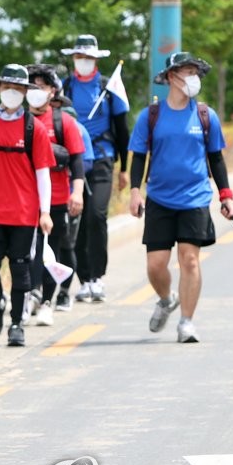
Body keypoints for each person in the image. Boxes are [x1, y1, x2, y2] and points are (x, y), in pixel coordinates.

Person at [127, 52, 233, 343]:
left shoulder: (204, 115)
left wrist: (226, 194)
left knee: (189, 261)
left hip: (195, 198)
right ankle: (166, 299)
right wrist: (135, 191)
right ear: (171, 78)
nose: (193, 78)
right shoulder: (151, 116)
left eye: (195, 73)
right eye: (187, 72)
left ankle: (186, 322)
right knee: (156, 265)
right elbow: (138, 156)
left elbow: (216, 157)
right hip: (160, 199)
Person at [0, 64, 55, 346]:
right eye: (7, 87)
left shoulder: (33, 127)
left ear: (25, 92)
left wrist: (45, 212)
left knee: (21, 271)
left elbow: (43, 173)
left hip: (24, 214)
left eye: (18, 88)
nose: (12, 93)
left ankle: (16, 324)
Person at [60, 34, 130, 303]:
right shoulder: (65, 87)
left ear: (96, 59)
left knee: (97, 217)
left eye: (89, 57)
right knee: (76, 218)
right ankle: (84, 279)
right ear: (74, 59)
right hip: (74, 161)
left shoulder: (108, 88)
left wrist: (124, 168)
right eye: (80, 57)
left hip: (102, 158)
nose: (84, 62)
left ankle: (98, 277)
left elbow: (122, 129)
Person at [25, 64, 86, 325]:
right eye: (32, 86)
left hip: (57, 199)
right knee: (25, 253)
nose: (36, 91)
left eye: (42, 86)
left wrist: (78, 193)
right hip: (22, 202)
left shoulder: (64, 122)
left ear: (53, 91)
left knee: (51, 251)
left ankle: (47, 300)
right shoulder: (16, 120)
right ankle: (29, 294)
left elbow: (77, 162)